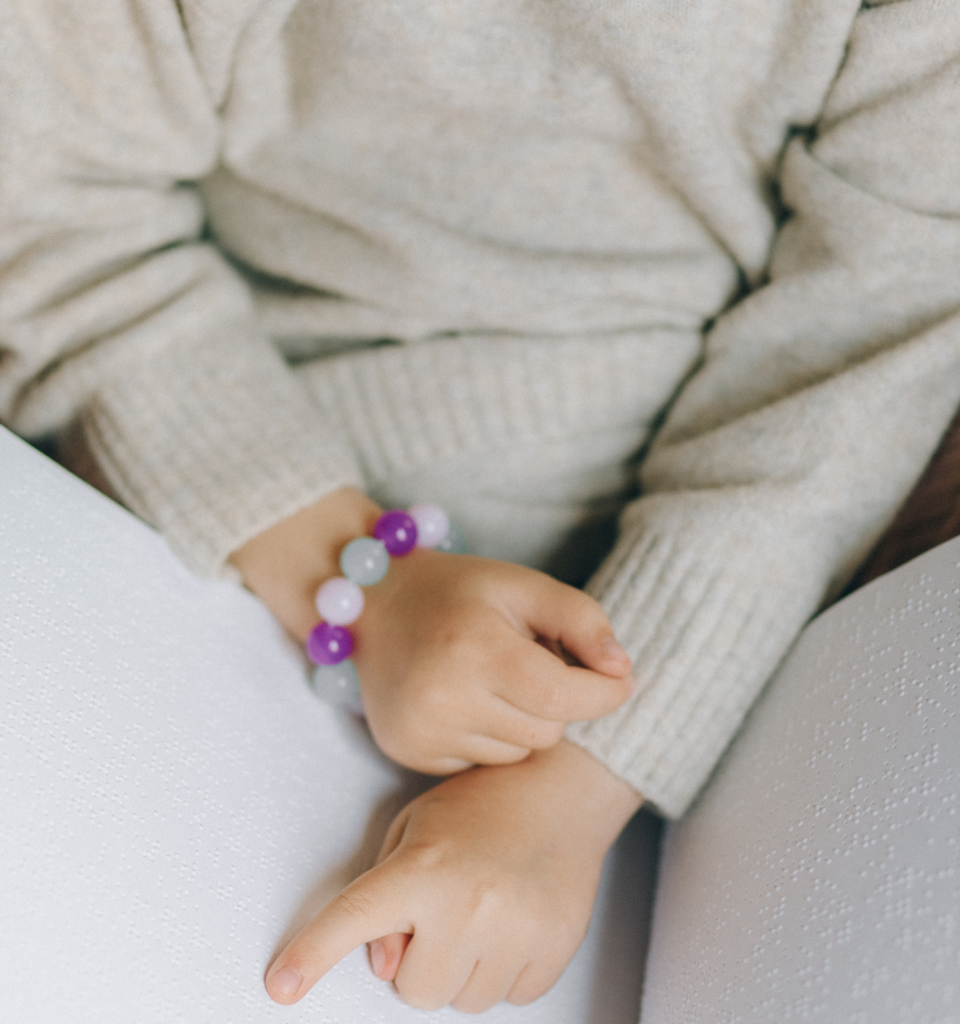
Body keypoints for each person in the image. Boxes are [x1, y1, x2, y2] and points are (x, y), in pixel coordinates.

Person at [2, 0, 960, 1014]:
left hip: (730, 645)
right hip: (219, 534)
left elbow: (863, 357)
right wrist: (356, 579)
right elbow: (56, 224)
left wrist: (580, 781)